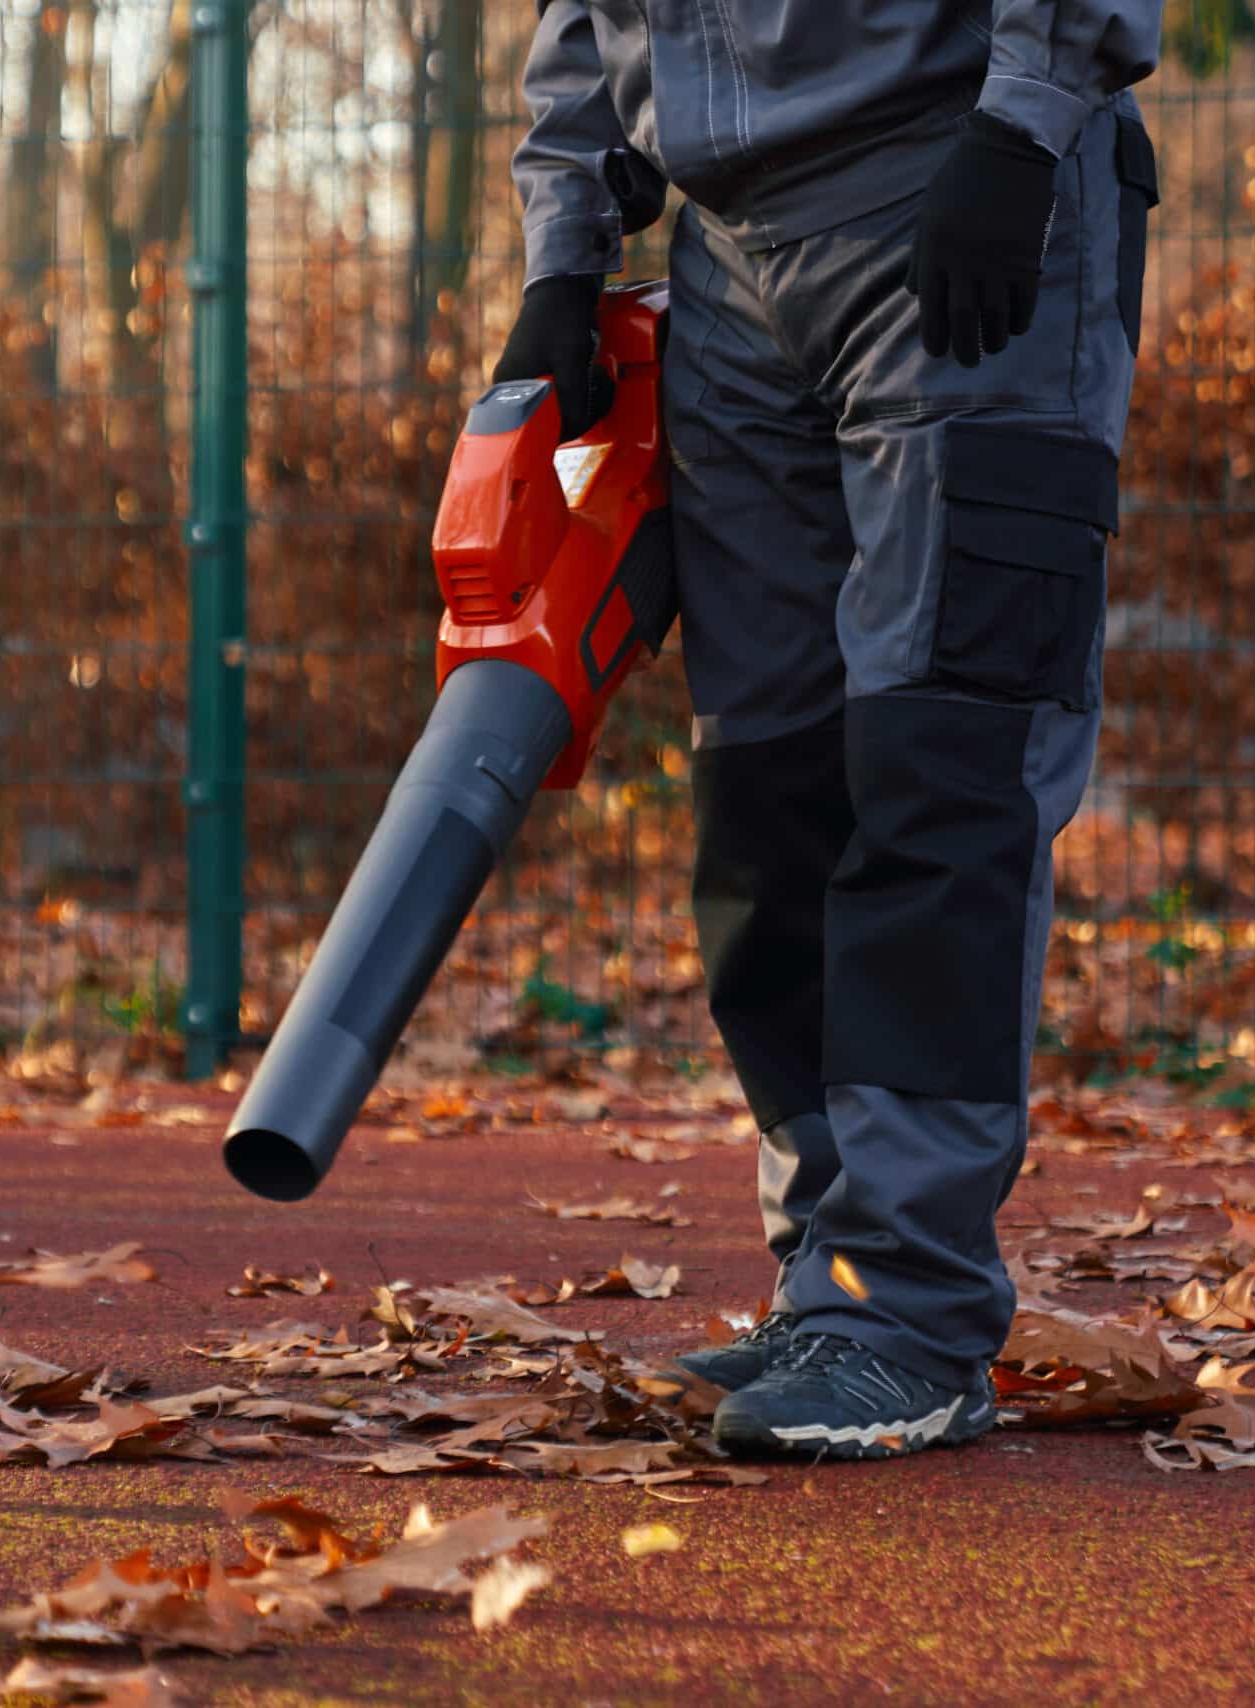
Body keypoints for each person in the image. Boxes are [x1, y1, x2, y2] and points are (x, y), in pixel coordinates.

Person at [496, 1, 1164, 1459]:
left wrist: (1022, 124)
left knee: (942, 764)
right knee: (768, 792)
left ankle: (907, 1314)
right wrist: (566, 250)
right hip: (730, 258)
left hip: (959, 181)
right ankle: (831, 1286)